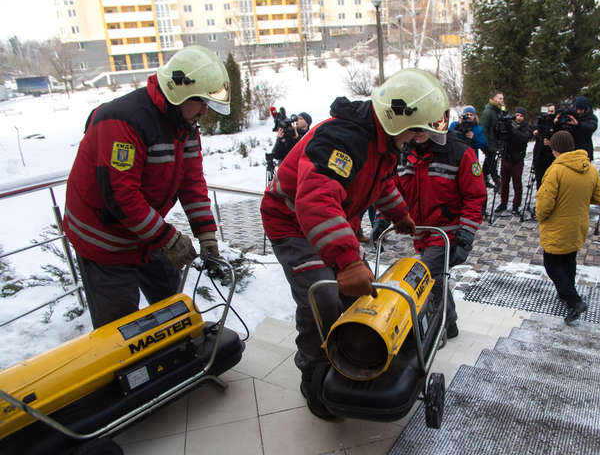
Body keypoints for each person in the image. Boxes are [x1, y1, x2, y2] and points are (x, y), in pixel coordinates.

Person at [260, 68, 449, 420]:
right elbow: (314, 200)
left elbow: (380, 183)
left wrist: (399, 214)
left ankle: (351, 360)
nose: (416, 140)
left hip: (330, 220)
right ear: (398, 120)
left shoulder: (383, 143)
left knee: (357, 292)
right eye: (416, 131)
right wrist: (346, 262)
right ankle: (315, 376)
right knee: (323, 297)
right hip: (291, 223)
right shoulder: (341, 139)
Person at [63, 45, 229, 328]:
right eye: (200, 101)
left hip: (143, 235)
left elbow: (192, 184)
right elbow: (120, 197)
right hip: (104, 242)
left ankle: (174, 360)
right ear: (179, 92)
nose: (204, 110)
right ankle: (127, 371)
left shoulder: (184, 125)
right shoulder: (122, 121)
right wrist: (168, 238)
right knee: (120, 329)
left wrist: (207, 235)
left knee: (172, 305)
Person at [392, 126, 487, 338]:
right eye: (413, 127)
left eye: (424, 126)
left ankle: (436, 325)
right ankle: (449, 323)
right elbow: (393, 189)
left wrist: (466, 234)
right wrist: (383, 218)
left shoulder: (459, 153)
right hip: (421, 231)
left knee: (426, 274)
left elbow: (475, 196)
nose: (418, 132)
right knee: (437, 278)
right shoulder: (404, 154)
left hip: (447, 231)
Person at [536, 131, 600, 324]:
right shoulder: (589, 167)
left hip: (557, 226)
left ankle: (574, 300)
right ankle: (564, 293)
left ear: (555, 149)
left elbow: (545, 204)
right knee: (568, 260)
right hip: (578, 224)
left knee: (552, 264)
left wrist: (540, 216)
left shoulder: (556, 170)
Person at [495, 107, 532, 216]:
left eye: (521, 116)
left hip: (517, 160)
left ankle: (516, 205)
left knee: (517, 184)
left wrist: (512, 130)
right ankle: (503, 203)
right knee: (504, 182)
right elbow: (500, 136)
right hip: (506, 157)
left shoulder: (526, 127)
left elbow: (524, 138)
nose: (519, 118)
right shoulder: (509, 124)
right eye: (517, 115)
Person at [479, 90, 504, 188]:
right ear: (493, 99)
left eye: (502, 98)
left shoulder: (499, 110)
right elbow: (483, 128)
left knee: (492, 160)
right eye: (499, 98)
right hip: (489, 143)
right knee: (490, 159)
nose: (502, 100)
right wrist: (485, 145)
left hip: (496, 142)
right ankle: (488, 178)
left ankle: (488, 177)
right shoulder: (488, 112)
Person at [532, 103, 556, 190]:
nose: (549, 114)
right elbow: (534, 126)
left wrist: (551, 142)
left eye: (552, 111)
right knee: (540, 182)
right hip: (539, 157)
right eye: (548, 111)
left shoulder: (556, 124)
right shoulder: (540, 121)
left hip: (551, 157)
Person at [566, 96, 598, 161]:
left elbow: (591, 127)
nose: (578, 112)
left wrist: (578, 124)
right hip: (571, 149)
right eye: (577, 109)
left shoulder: (591, 117)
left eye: (581, 109)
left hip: (585, 150)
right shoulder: (571, 116)